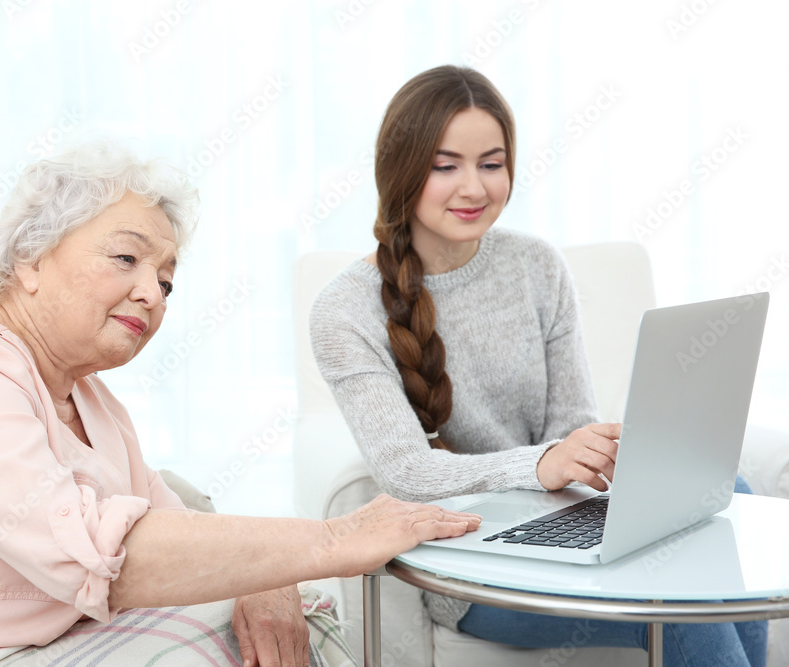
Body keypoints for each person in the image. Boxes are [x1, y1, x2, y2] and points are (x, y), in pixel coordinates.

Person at [0, 143, 485, 666]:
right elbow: (94, 553)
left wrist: (269, 576)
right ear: (29, 257)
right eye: (127, 259)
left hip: (17, 643)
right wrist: (330, 542)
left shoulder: (91, 401)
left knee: (290, 614)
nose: (152, 293)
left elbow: (174, 528)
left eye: (167, 281)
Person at [308, 65, 768, 666]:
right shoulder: (345, 310)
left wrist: (597, 458)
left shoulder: (537, 266)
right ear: (401, 170)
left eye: (491, 164)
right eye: (446, 166)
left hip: (559, 521)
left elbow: (570, 427)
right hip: (469, 560)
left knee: (725, 500)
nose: (473, 188)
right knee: (677, 607)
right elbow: (406, 472)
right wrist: (541, 465)